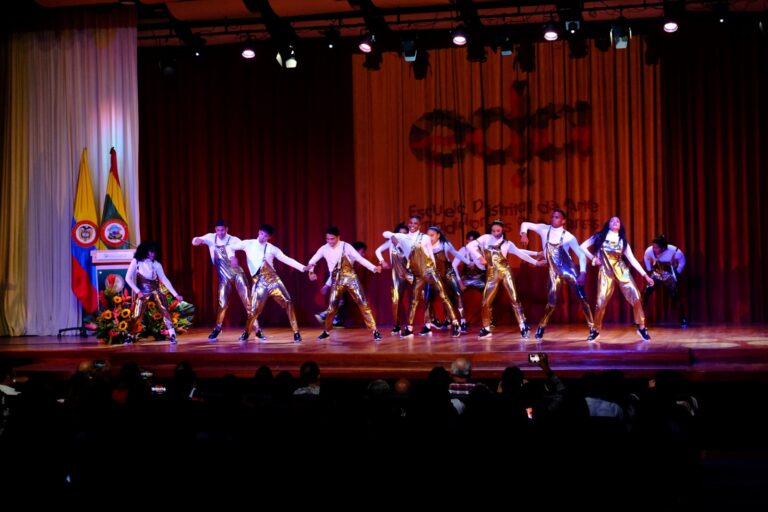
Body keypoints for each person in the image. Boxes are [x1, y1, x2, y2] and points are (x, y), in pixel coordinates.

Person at [520, 209, 596, 341]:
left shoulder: (569, 237)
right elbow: (525, 224)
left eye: (556, 217)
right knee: (551, 302)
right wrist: (523, 234)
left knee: (582, 298)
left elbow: (581, 255)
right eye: (552, 216)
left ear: (563, 221)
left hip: (569, 270)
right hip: (553, 271)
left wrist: (583, 272)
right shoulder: (544, 229)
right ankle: (541, 326)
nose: (553, 219)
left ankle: (593, 328)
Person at [383, 215, 461, 338]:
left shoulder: (425, 237)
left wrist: (435, 271)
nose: (412, 225)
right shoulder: (403, 237)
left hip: (430, 271)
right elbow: (385, 233)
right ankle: (409, 328)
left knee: (443, 296)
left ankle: (456, 323)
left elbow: (430, 253)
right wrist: (393, 236)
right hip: (418, 274)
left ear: (419, 226)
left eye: (415, 223)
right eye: (411, 223)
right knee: (414, 301)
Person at [580, 216, 655, 341]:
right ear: (608, 224)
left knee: (636, 296)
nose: (615, 222)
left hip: (622, 271)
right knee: (600, 302)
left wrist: (645, 275)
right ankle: (595, 329)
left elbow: (632, 259)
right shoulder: (600, 236)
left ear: (620, 226)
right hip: (605, 271)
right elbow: (582, 246)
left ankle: (641, 328)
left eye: (618, 221)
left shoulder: (622, 241)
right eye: (612, 221)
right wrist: (593, 258)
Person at [468, 220, 545, 339]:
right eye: (493, 230)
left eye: (498, 230)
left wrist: (536, 261)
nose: (495, 233)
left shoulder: (507, 243)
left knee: (514, 299)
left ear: (502, 230)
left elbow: (520, 253)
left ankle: (522, 325)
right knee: (485, 301)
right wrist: (480, 257)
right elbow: (469, 246)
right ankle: (486, 328)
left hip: (505, 272)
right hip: (491, 274)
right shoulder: (485, 238)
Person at [231, 224, 306, 343]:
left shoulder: (272, 248)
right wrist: (232, 257)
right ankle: (246, 332)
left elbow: (286, 259)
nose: (262, 237)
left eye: (265, 236)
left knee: (288, 301)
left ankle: (296, 332)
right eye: (261, 234)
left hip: (274, 280)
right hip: (259, 282)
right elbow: (231, 246)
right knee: (254, 310)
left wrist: (303, 268)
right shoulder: (248, 244)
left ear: (269, 237)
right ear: (258, 232)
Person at [307, 226, 383, 341]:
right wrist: (311, 272)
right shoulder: (323, 249)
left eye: (332, 239)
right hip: (336, 279)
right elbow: (312, 261)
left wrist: (373, 268)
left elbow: (359, 259)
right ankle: (326, 331)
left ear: (338, 237)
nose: (330, 241)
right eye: (327, 239)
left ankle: (375, 330)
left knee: (362, 303)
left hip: (351, 277)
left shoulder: (346, 246)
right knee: (332, 306)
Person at [192, 219, 252, 340]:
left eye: (222, 230)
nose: (220, 233)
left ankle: (257, 329)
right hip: (223, 276)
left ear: (227, 229)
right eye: (218, 230)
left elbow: (244, 246)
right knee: (222, 303)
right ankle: (217, 329)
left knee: (247, 301)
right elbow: (195, 241)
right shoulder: (210, 237)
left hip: (237, 273)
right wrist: (198, 240)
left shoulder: (232, 239)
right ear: (215, 230)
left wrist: (234, 257)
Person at [125, 241, 183, 343]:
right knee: (137, 313)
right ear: (145, 251)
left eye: (154, 252)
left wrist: (176, 294)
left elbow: (164, 280)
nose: (153, 254)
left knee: (165, 310)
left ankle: (172, 334)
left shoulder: (156, 264)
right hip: (142, 291)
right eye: (150, 252)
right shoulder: (136, 261)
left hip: (156, 290)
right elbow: (127, 278)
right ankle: (130, 335)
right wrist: (138, 291)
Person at [425, 226, 472, 334]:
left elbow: (456, 254)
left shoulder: (444, 245)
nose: (429, 238)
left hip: (448, 272)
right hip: (435, 275)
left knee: (457, 293)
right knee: (429, 297)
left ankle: (463, 321)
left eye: (432, 235)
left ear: (438, 235)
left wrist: (469, 263)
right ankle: (431, 323)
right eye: (428, 236)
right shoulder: (425, 247)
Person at [315, 241, 370, 328]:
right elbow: (336, 272)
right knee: (339, 301)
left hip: (342, 280)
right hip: (336, 278)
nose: (363, 254)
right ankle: (323, 315)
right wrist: (327, 285)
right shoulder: (347, 258)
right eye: (362, 252)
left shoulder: (351, 259)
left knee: (341, 301)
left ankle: (336, 320)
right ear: (356, 251)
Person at [643, 234, 688, 327]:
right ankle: (639, 320)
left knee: (675, 296)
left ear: (663, 248)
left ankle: (683, 319)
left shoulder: (674, 251)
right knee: (645, 293)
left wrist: (677, 272)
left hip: (669, 275)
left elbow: (682, 261)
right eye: (653, 246)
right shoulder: (649, 251)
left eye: (657, 248)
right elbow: (646, 258)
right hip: (656, 274)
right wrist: (649, 270)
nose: (654, 249)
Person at [374, 222, 412, 334]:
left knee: (423, 295)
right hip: (396, 273)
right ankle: (396, 325)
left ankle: (428, 323)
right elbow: (378, 250)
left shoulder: (409, 242)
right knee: (395, 299)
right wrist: (382, 261)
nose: (402, 236)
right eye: (399, 233)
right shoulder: (391, 241)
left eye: (405, 233)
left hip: (410, 272)